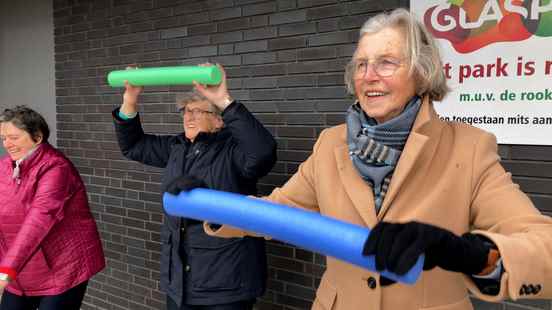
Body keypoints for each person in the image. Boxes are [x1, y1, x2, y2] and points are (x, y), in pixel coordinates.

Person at [191, 8, 552, 310]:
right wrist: (209, 202)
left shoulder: (468, 148)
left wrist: (470, 255)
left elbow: (541, 245)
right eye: (361, 64)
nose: (369, 76)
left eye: (386, 62)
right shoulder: (331, 143)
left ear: (422, 71)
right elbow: (278, 212)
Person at [112, 64, 277, 310]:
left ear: (219, 120)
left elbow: (263, 152)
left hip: (225, 284)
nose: (188, 117)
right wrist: (130, 100)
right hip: (179, 282)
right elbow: (133, 145)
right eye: (185, 111)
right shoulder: (177, 147)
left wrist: (223, 99)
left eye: (198, 111)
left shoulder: (233, 152)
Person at [0, 106, 105, 310]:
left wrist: (6, 271)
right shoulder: (5, 166)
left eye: (13, 137)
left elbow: (39, 218)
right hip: (20, 268)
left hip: (62, 266)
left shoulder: (56, 168)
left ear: (37, 137)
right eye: (4, 138)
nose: (7, 144)